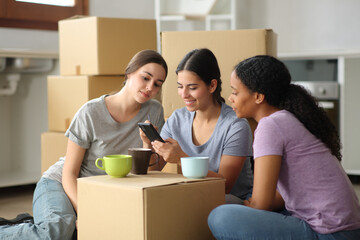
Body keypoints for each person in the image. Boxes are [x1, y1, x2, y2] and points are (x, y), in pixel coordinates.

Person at [0, 49, 168, 240]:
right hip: (61, 184)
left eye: (157, 84)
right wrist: (86, 211)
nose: (150, 88)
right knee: (56, 231)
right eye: (145, 78)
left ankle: (30, 225)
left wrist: (147, 144)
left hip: (103, 191)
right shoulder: (90, 112)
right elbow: (69, 173)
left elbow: (144, 173)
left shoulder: (154, 111)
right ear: (129, 72)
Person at [208, 55, 360, 239]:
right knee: (236, 204)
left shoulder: (270, 126)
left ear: (258, 96)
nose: (230, 98)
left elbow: (261, 203)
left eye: (235, 92)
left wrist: (250, 207)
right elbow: (282, 194)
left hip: (330, 233)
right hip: (346, 228)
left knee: (220, 217)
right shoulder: (288, 118)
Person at [141, 48, 254, 203]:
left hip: (230, 201)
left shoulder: (236, 125)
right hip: (190, 195)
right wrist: (148, 144)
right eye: (180, 86)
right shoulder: (177, 119)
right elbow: (153, 171)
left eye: (192, 88)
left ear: (212, 86)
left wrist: (181, 159)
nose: (184, 94)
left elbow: (225, 185)